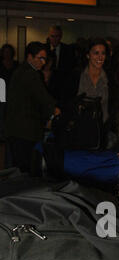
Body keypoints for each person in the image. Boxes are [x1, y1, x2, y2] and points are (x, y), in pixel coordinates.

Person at [5, 41, 60, 174]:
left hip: (16, 129)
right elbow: (43, 98)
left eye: (45, 59)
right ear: (29, 57)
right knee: (25, 170)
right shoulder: (31, 74)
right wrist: (55, 110)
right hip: (25, 131)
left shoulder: (21, 71)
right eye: (40, 58)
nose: (43, 62)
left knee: (17, 168)